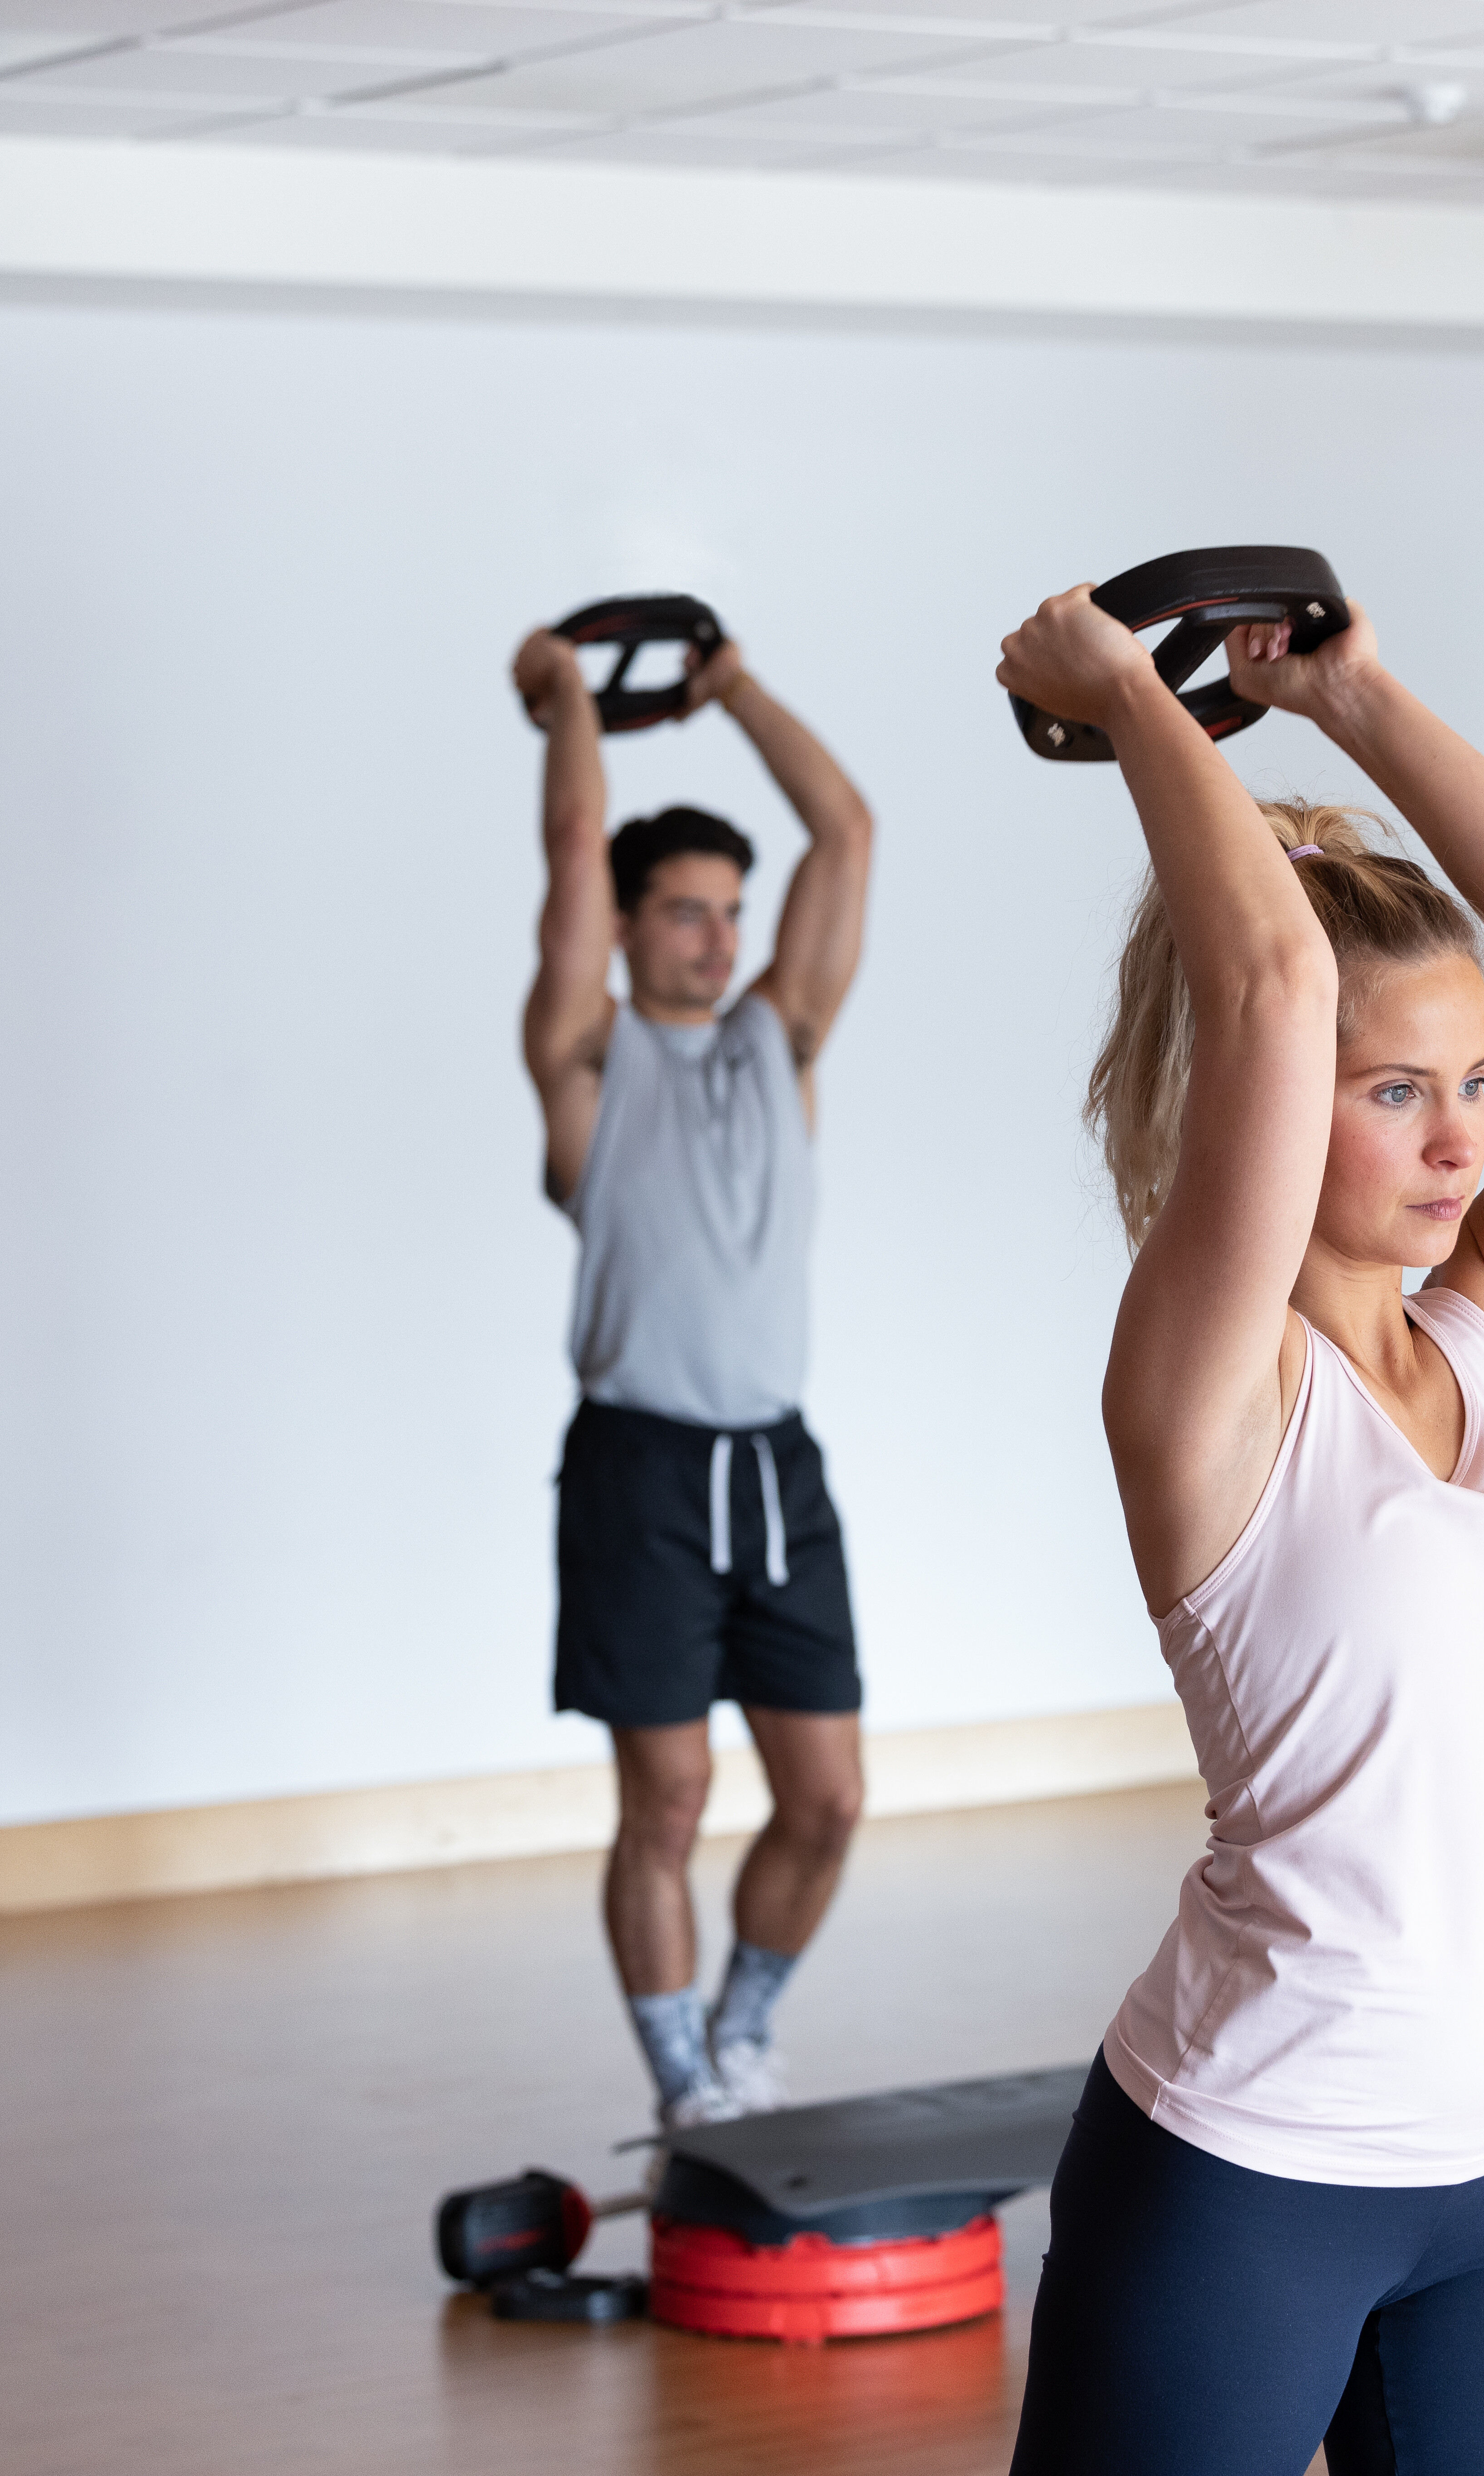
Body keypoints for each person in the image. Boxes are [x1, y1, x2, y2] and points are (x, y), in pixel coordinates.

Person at [995, 585, 1484, 2476]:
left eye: (1473, 1087)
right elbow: (1273, 993)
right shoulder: (1212, 1391)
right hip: (1245, 2179)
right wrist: (1136, 702)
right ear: (1276, 1112)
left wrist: (1350, 693)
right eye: (1395, 1094)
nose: (1459, 1143)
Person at [508, 619, 875, 2130]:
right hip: (642, 1473)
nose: (721, 938)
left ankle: (741, 2035)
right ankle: (681, 2090)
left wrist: (728, 689)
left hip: (777, 1471)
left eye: (732, 911)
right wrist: (570, 703)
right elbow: (581, 834)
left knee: (829, 1800)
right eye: (685, 913)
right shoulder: (586, 1064)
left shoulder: (780, 1045)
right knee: (665, 1803)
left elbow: (845, 829)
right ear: (626, 928)